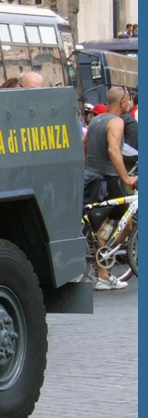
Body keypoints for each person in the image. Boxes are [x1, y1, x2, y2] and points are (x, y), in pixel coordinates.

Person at [83, 86, 138, 290]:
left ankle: (102, 269)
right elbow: (114, 150)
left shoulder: (97, 120)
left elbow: (84, 144)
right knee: (123, 225)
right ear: (123, 102)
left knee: (107, 224)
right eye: (129, 100)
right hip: (108, 179)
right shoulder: (116, 122)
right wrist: (126, 177)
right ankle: (102, 272)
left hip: (92, 177)